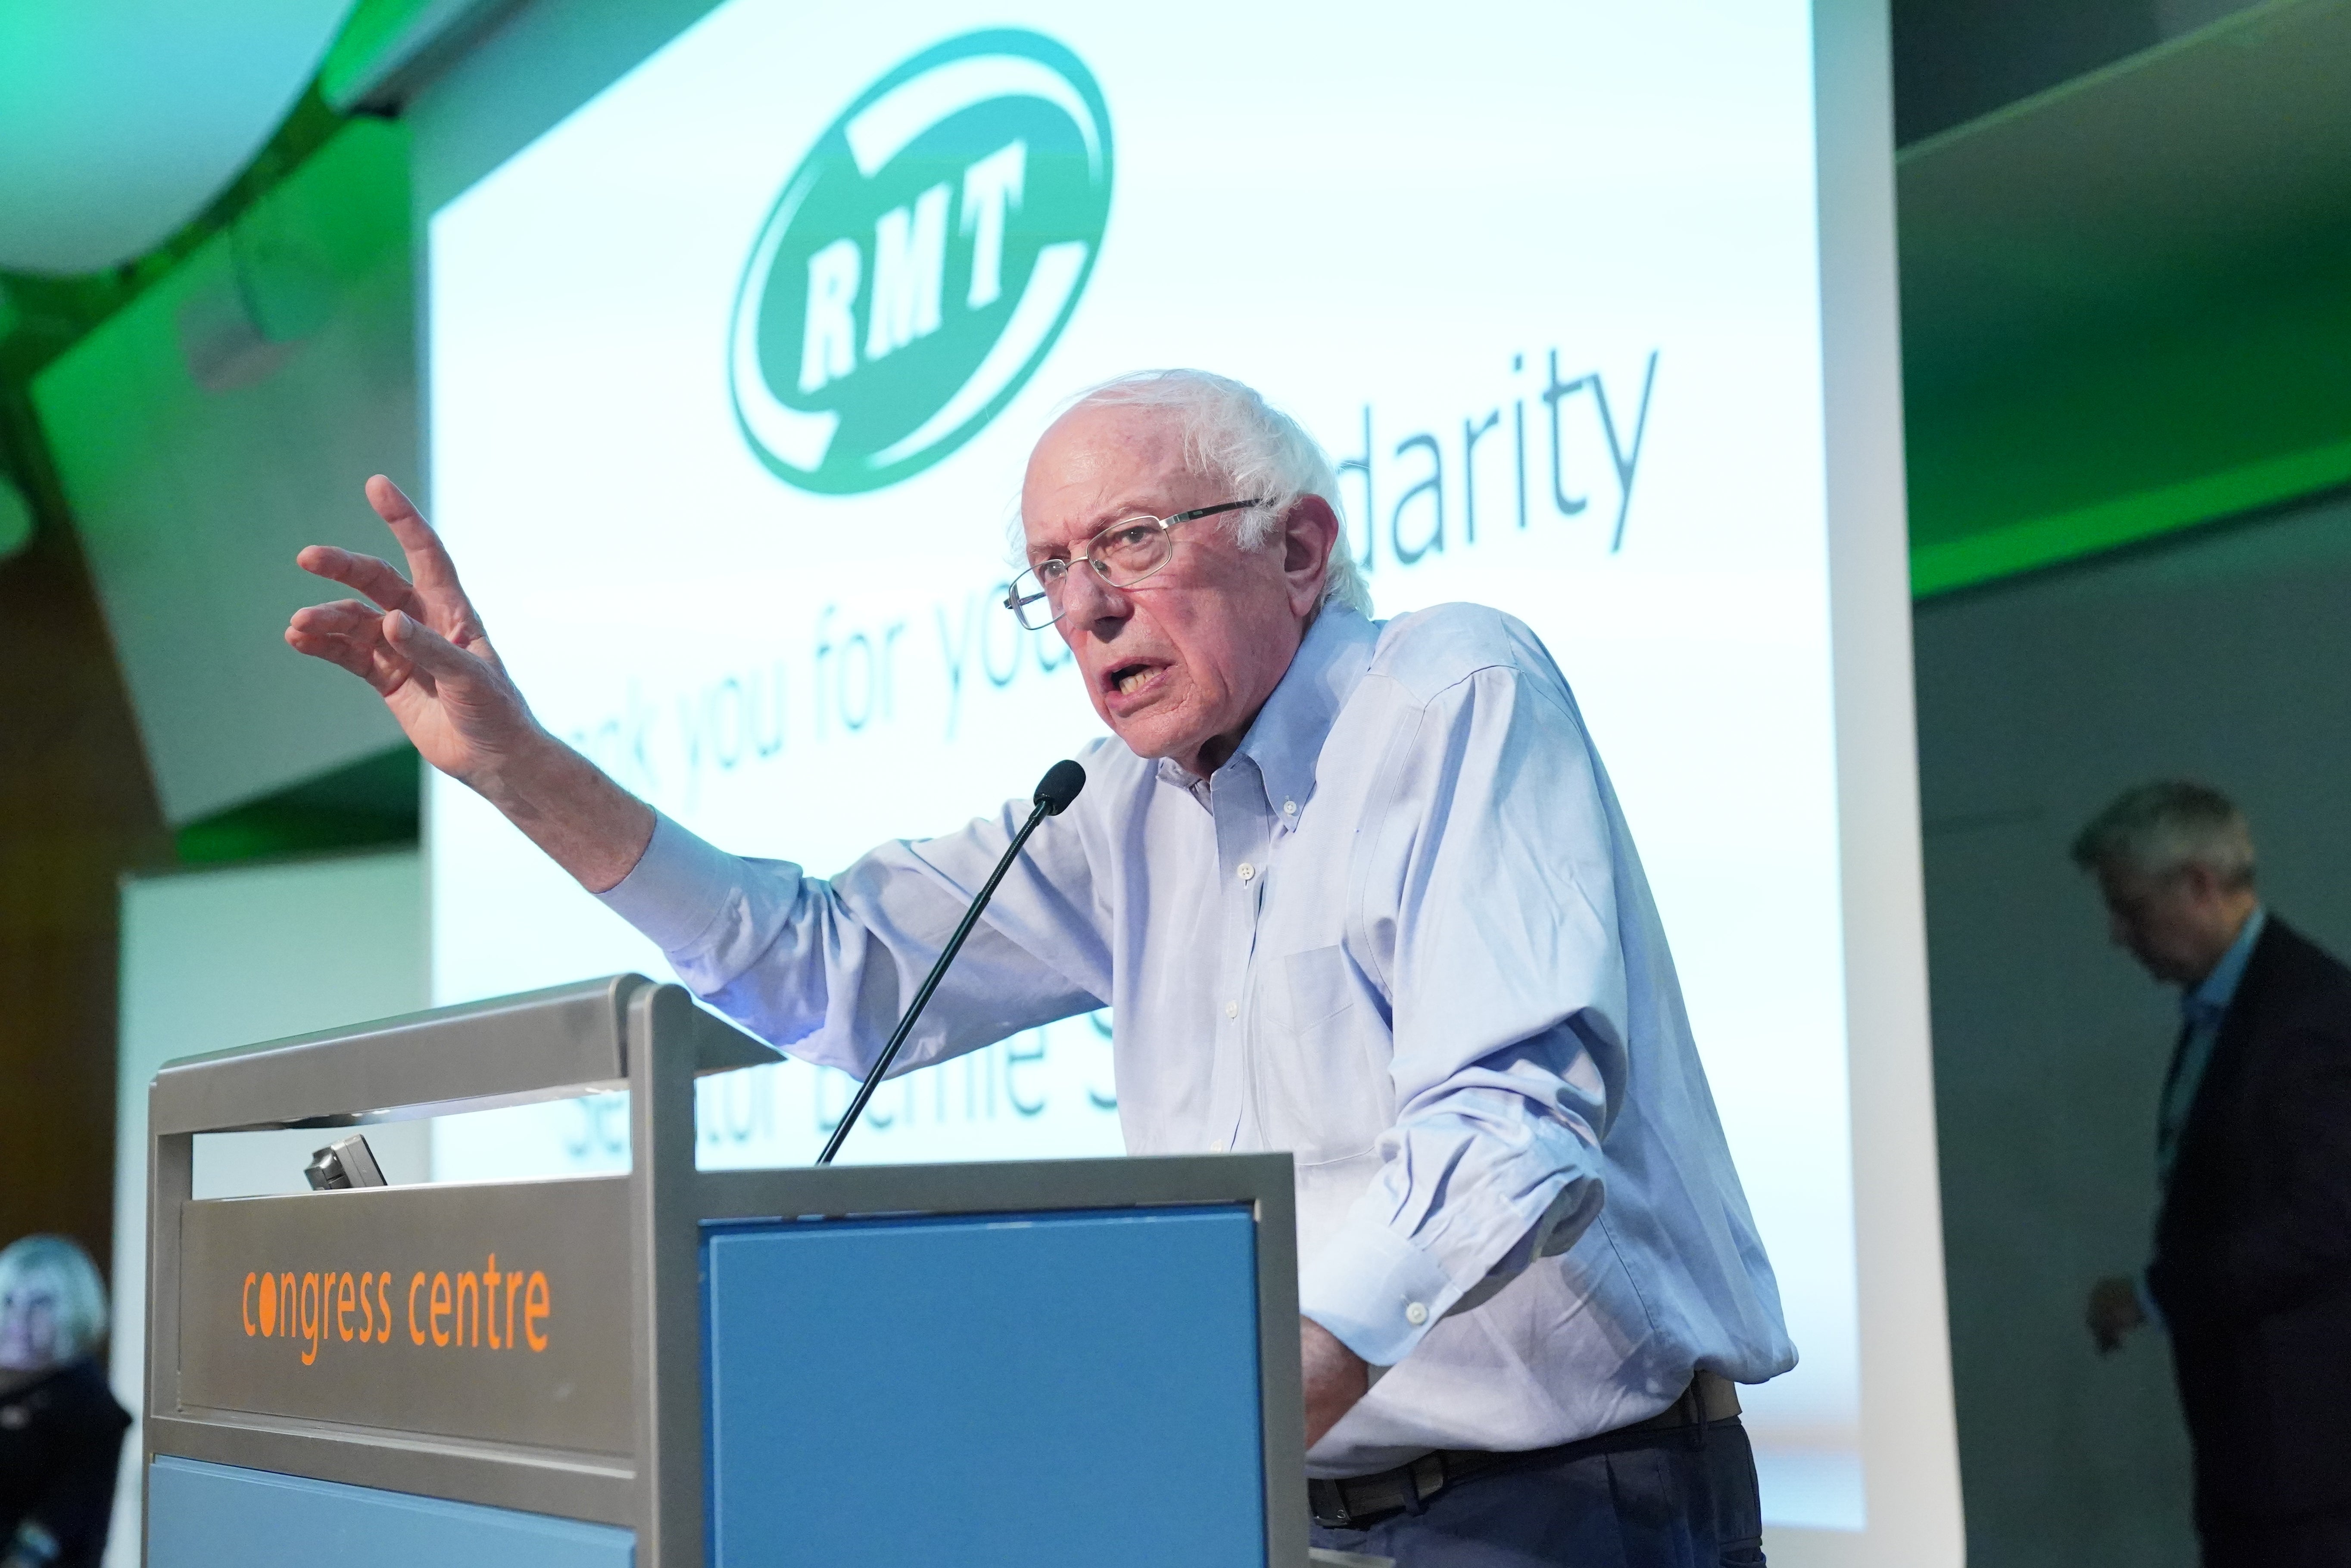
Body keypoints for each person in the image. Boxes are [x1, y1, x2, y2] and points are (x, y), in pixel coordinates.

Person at [288, 368, 1793, 1565]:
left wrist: (1212, 1422)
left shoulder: (1449, 689)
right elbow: (828, 972)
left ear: (1301, 546)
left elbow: (1501, 1130)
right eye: (1050, 572)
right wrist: (518, 769)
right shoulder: (1113, 813)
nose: (1083, 606)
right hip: (1291, 1515)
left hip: (1560, 1514)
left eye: (1131, 542)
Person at [2075, 782, 2351, 1568]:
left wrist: (2154, 1293)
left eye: (2128, 907)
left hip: (2310, 1467)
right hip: (2258, 1455)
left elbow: (2327, 1222)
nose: (2116, 936)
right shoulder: (2237, 1007)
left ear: (2198, 884)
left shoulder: (2311, 1014)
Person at [0, 1235, 131, 1568]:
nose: (20, 1317)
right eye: (10, 1300)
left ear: (76, 1309)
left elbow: (50, 1534)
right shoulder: (17, 1389)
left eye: (41, 1303)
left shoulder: (89, 1407)